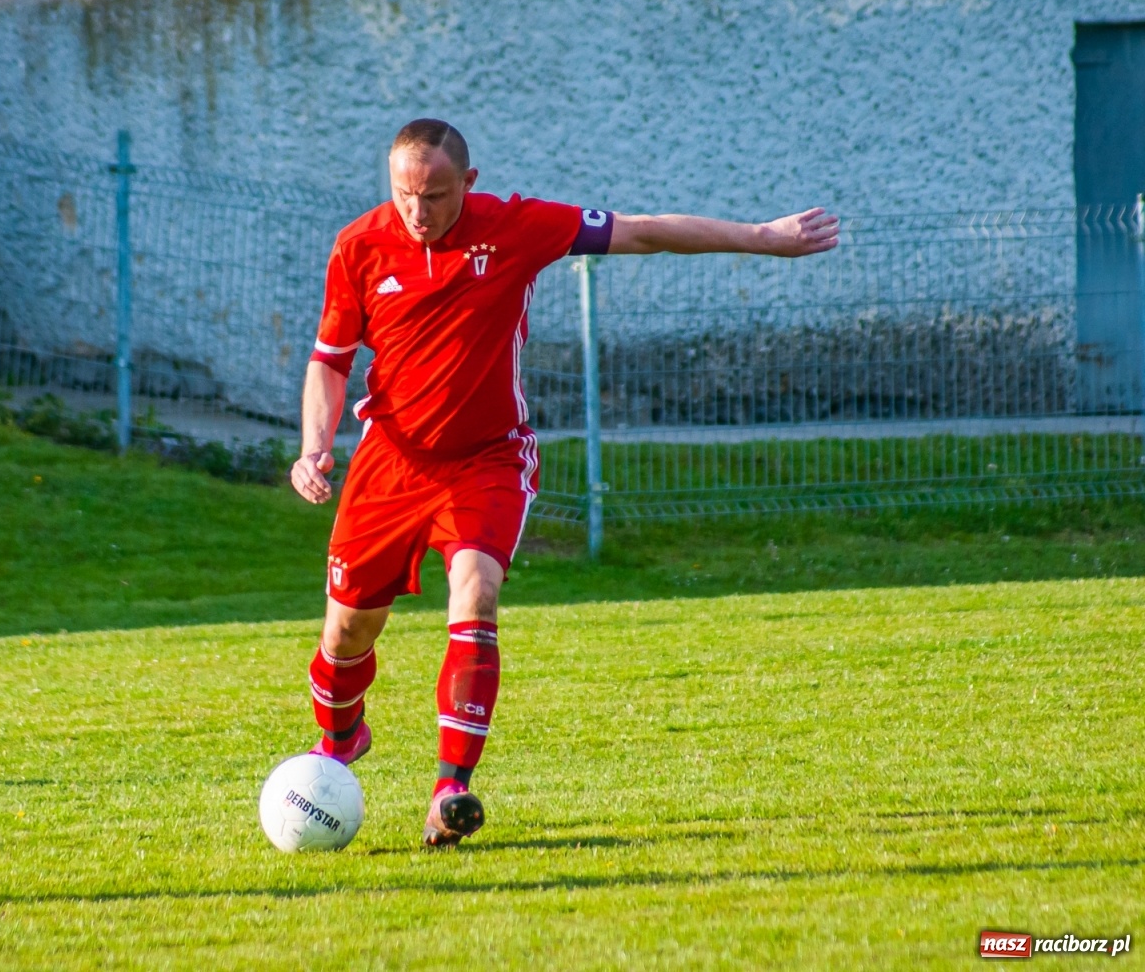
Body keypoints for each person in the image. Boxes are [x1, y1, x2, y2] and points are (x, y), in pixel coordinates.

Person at [293, 119, 839, 847]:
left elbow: (641, 232)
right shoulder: (360, 245)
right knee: (347, 631)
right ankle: (340, 738)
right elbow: (329, 359)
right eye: (404, 195)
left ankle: (450, 788)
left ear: (470, 184)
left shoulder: (516, 226)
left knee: (476, 592)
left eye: (436, 195)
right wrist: (313, 448)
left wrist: (760, 237)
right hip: (391, 463)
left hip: (488, 458)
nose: (418, 212)